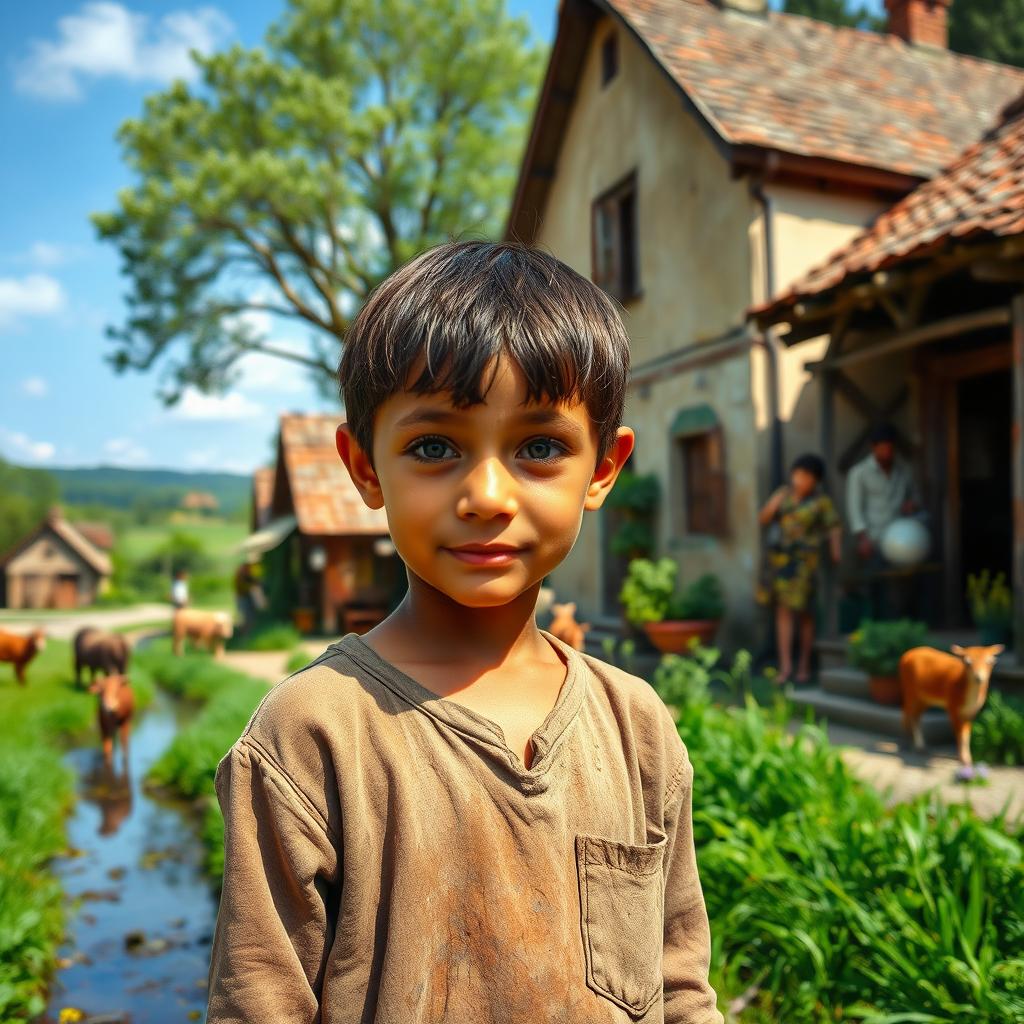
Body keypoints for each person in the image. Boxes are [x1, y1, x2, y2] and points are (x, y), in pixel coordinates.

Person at [206, 242, 724, 1023]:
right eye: (435, 447)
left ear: (604, 469)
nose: (486, 495)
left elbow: (678, 987)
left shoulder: (637, 728)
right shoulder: (310, 736)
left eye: (540, 448)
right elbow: (259, 1004)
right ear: (365, 468)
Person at [758, 454, 841, 684]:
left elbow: (834, 526)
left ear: (815, 480)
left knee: (805, 614)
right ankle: (785, 667)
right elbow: (763, 518)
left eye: (806, 475)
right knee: (783, 612)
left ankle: (804, 665)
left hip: (806, 564)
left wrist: (836, 551)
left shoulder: (821, 502)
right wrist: (776, 498)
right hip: (781, 562)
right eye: (798, 473)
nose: (800, 479)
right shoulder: (784, 496)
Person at [846, 423, 921, 618]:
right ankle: (877, 626)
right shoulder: (860, 473)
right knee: (875, 588)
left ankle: (900, 624)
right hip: (873, 539)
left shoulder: (903, 471)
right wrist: (862, 538)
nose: (887, 451)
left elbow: (915, 498)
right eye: (883, 447)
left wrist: (911, 505)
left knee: (902, 587)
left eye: (890, 447)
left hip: (900, 539)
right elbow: (855, 508)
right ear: (874, 447)